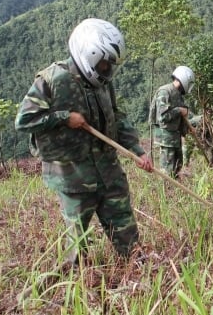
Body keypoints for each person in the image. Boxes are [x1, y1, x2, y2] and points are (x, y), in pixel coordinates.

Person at [15, 18, 153, 266]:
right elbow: (24, 121)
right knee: (78, 244)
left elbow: (117, 118)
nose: (107, 70)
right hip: (75, 178)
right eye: (103, 63)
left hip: (108, 172)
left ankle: (137, 272)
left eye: (110, 65)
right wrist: (64, 117)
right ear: (89, 53)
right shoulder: (52, 80)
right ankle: (76, 289)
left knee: (126, 231)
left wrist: (138, 151)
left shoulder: (103, 83)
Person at [148, 66, 195, 178]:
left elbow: (181, 118)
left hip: (175, 137)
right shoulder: (165, 92)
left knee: (177, 167)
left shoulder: (177, 94)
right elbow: (162, 117)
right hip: (166, 138)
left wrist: (188, 130)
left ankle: (174, 193)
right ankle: (166, 193)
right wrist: (179, 110)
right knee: (167, 171)